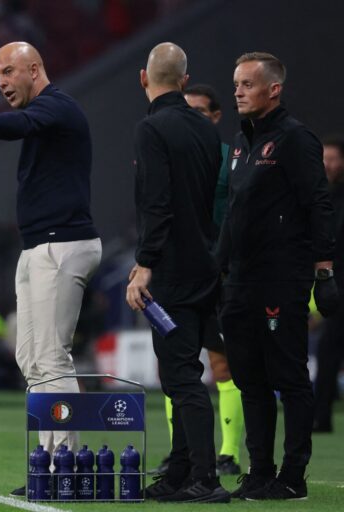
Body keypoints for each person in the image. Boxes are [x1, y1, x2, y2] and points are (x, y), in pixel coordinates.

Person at [0, 41, 102, 496]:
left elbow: (19, 124)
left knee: (52, 357)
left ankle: (63, 467)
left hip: (63, 246)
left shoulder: (57, 107)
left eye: (9, 72)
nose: (3, 82)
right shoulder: (44, 114)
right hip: (38, 248)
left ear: (35, 68)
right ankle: (49, 464)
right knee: (31, 359)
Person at [218, 52, 338, 500]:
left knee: (288, 376)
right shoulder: (239, 143)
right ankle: (260, 471)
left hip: (280, 279)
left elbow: (318, 204)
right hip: (240, 280)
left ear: (274, 89)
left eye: (247, 84)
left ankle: (293, 476)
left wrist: (323, 269)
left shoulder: (295, 139)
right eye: (235, 85)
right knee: (249, 378)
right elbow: (233, 214)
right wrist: (219, 268)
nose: (238, 92)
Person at [126, 43, 229, 503]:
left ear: (144, 79)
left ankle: (204, 478)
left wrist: (145, 263)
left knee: (181, 376)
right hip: (205, 265)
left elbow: (157, 204)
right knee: (184, 372)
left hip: (170, 269)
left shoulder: (152, 128)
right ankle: (181, 472)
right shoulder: (207, 131)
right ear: (185, 81)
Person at [152, 84, 244, 477]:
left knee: (223, 366)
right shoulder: (173, 156)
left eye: (201, 112)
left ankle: (227, 453)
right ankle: (181, 455)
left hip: (221, 274)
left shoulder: (230, 159)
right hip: (179, 272)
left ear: (216, 116)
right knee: (175, 367)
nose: (191, 118)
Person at [313, 135, 344, 433]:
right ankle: (321, 417)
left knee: (328, 350)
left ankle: (322, 416)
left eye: (333, 158)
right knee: (326, 351)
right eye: (324, 158)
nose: (328, 164)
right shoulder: (318, 196)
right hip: (335, 288)